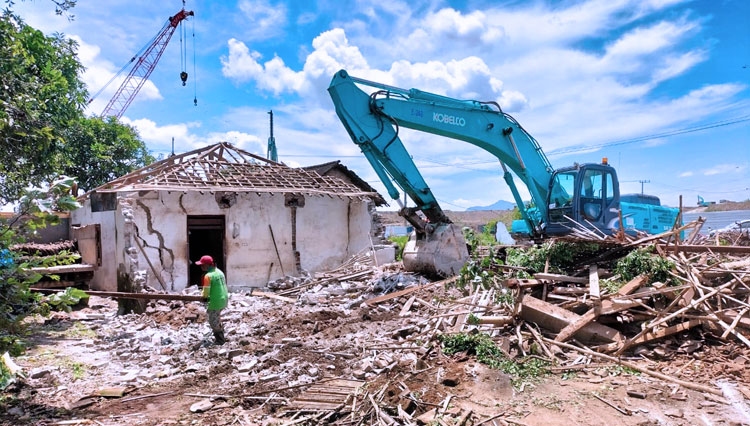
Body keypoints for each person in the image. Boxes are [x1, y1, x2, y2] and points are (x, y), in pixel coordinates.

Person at [195, 255, 228, 345]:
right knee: (217, 318)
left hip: (215, 301)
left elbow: (206, 292)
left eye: (202, 265)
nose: (201, 267)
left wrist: (203, 297)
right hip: (223, 299)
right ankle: (221, 335)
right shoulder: (219, 272)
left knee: (213, 321)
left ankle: (220, 340)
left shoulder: (208, 276)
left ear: (207, 265)